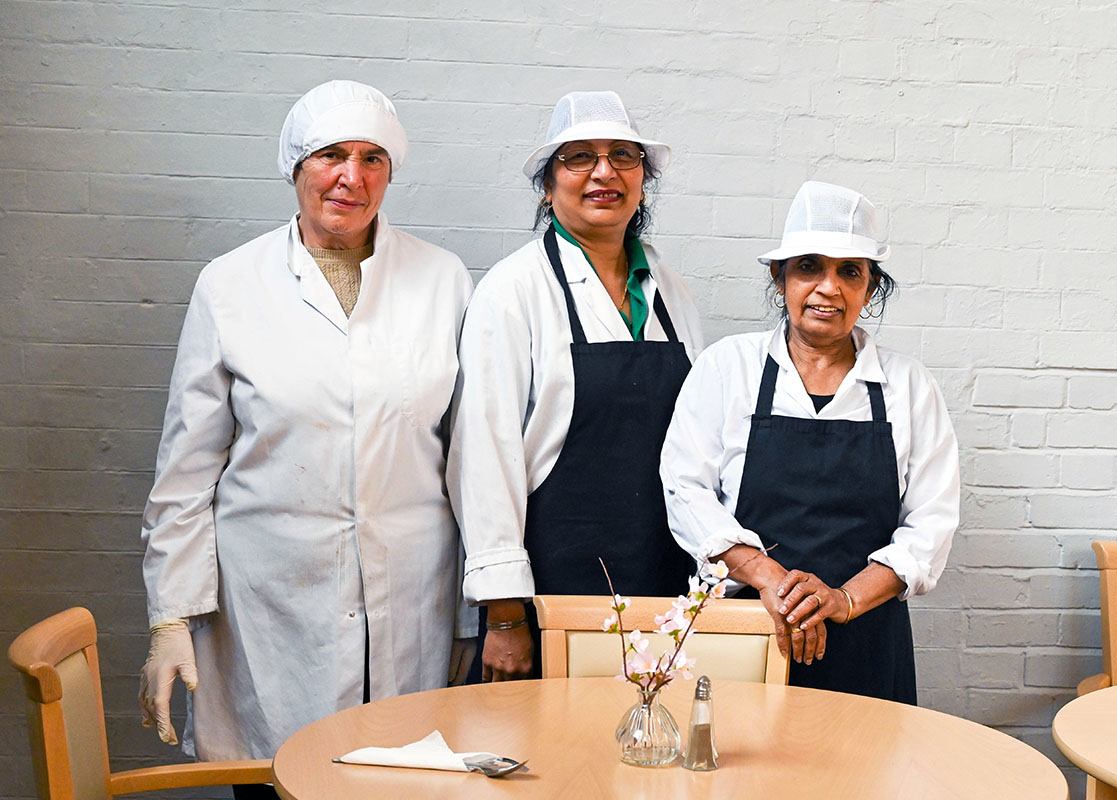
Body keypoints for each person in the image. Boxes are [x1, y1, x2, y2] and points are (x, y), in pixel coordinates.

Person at [138, 80, 477, 788]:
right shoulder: (230, 285)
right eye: (331, 156)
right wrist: (170, 616)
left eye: (372, 158)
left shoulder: (443, 280)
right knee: (278, 778)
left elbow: (470, 464)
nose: (352, 177)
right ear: (296, 167)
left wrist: (475, 616)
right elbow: (186, 475)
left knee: (396, 784)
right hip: (270, 606)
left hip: (411, 599)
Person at [660, 181, 959, 703]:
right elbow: (684, 488)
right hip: (748, 635)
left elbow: (931, 524)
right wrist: (770, 580)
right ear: (779, 279)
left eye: (850, 272)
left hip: (867, 638)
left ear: (870, 288)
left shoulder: (909, 386)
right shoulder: (727, 367)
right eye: (808, 267)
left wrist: (842, 599)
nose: (828, 288)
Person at [448, 91, 704, 682]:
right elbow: (484, 459)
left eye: (623, 156)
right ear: (548, 185)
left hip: (664, 583)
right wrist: (505, 615)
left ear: (643, 181)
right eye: (579, 157)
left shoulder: (670, 289)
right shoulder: (512, 291)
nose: (604, 172)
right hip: (550, 592)